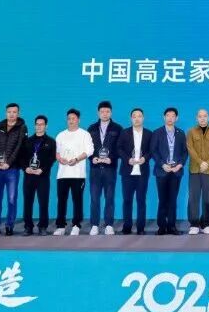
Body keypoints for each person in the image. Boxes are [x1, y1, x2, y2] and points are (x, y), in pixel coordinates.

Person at [0, 103, 26, 236]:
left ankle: (9, 226)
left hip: (12, 170)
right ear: (6, 113)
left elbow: (19, 147)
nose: (11, 114)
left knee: (11, 199)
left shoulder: (22, 127)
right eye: (9, 112)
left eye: (14, 112)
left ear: (18, 113)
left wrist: (8, 163)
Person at [54, 108, 94, 235]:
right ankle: (60, 226)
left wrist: (76, 159)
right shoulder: (60, 135)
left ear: (78, 120)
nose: (71, 121)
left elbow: (90, 151)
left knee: (77, 200)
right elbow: (57, 153)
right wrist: (60, 159)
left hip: (78, 174)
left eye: (74, 118)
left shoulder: (85, 134)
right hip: (62, 174)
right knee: (61, 200)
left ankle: (76, 225)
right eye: (69, 119)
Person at [87, 100, 122, 236]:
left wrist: (111, 158)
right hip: (95, 169)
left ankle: (109, 225)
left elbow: (120, 148)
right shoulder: (91, 128)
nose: (105, 113)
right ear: (98, 113)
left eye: (107, 111)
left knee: (109, 197)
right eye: (102, 111)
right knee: (94, 198)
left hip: (110, 168)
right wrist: (92, 158)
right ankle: (94, 225)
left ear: (111, 113)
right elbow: (88, 147)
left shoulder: (117, 128)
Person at [186, 108, 209, 234]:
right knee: (193, 198)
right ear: (196, 118)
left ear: (208, 118)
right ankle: (194, 224)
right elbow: (190, 148)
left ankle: (206, 224)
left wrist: (208, 163)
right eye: (200, 116)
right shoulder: (191, 132)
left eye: (205, 116)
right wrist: (201, 162)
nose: (202, 118)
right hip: (195, 170)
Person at [151, 107, 185, 235]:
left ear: (176, 118)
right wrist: (162, 164)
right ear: (164, 117)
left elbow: (184, 152)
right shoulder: (157, 132)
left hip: (176, 171)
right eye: (168, 115)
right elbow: (153, 151)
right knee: (162, 199)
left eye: (173, 116)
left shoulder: (181, 133)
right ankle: (161, 226)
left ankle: (172, 226)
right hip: (162, 171)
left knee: (173, 200)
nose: (170, 118)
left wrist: (180, 165)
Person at [117, 107, 151, 234]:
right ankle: (127, 226)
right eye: (134, 116)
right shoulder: (124, 133)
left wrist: (144, 158)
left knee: (141, 200)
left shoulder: (149, 133)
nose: (137, 118)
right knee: (127, 200)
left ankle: (141, 227)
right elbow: (119, 148)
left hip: (142, 172)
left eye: (139, 116)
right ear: (131, 118)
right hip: (127, 172)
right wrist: (127, 159)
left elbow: (151, 150)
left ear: (143, 118)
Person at [22, 115, 56, 236]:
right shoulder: (27, 141)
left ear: (46, 126)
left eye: (41, 124)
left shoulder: (51, 142)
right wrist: (25, 168)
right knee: (28, 202)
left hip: (43, 177)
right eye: (37, 124)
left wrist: (42, 169)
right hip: (29, 176)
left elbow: (52, 159)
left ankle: (43, 226)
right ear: (35, 125)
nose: (39, 126)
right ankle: (28, 226)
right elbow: (21, 157)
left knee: (43, 202)